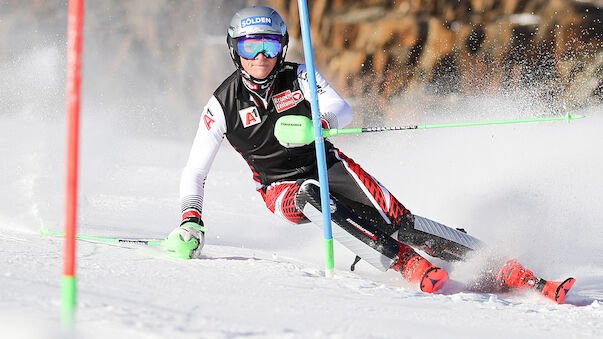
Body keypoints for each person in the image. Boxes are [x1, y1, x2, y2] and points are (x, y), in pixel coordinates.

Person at [164, 6, 574, 299]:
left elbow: (341, 107)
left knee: (400, 221)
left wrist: (319, 124)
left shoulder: (299, 74)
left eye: (270, 47)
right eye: (251, 47)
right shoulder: (222, 103)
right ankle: (405, 264)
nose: (261, 58)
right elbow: (194, 171)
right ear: (234, 49)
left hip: (326, 162)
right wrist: (191, 221)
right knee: (310, 195)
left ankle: (507, 268)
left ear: (283, 48)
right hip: (279, 189)